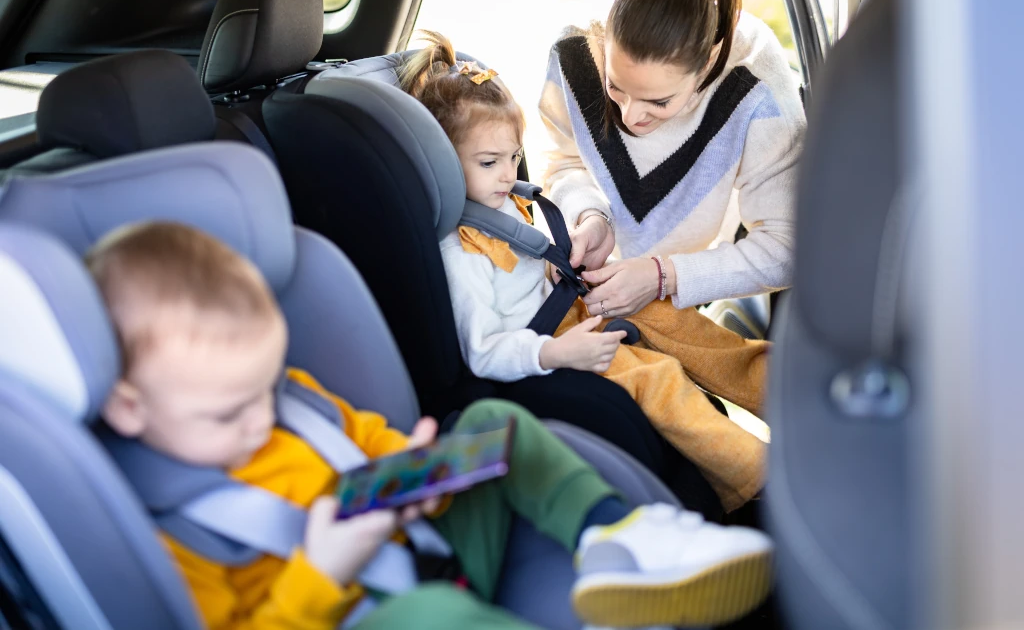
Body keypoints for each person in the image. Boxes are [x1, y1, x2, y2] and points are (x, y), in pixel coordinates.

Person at [85, 220, 774, 630]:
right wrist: (322, 573)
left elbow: (359, 434)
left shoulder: (281, 397)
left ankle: (618, 535)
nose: (260, 419)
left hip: (411, 532)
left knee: (492, 421)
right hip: (351, 608)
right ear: (127, 405)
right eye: (227, 413)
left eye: (266, 388)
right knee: (429, 618)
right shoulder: (168, 533)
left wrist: (409, 465)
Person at [404, 32, 770, 512]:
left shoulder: (501, 202)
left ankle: (783, 392)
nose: (507, 173)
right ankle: (753, 475)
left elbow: (522, 270)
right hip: (549, 341)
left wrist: (555, 272)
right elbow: (484, 350)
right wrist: (557, 352)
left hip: (570, 305)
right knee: (657, 377)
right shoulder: (461, 253)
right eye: (489, 162)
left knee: (675, 317)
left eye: (514, 156)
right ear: (442, 165)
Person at [540, 0, 805, 318]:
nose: (630, 117)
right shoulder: (575, 57)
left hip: (704, 289)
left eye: (659, 102)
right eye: (615, 87)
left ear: (707, 65)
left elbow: (788, 246)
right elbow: (565, 161)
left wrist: (664, 276)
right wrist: (590, 215)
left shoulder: (755, 87)